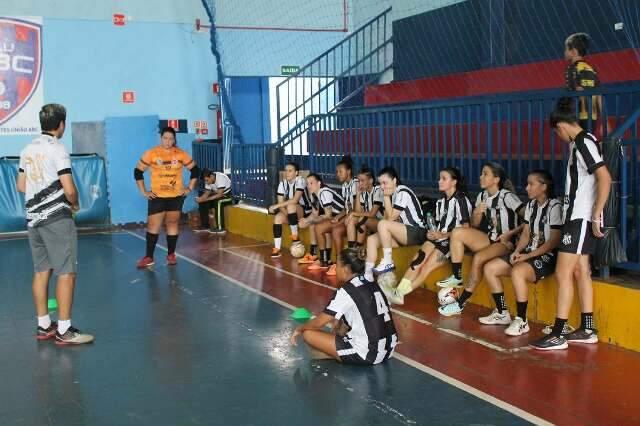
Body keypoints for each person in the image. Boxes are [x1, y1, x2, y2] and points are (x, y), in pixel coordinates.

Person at [530, 98, 611, 350]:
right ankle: (588, 328)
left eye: (557, 132)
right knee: (580, 272)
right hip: (579, 217)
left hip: (580, 217)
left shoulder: (582, 142)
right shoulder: (583, 143)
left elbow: (604, 178)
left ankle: (557, 334)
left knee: (563, 273)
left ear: (561, 126)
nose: (559, 136)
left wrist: (597, 213)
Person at [17, 103, 93, 345]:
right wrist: (76, 204)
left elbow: (21, 186)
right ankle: (64, 329)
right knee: (67, 272)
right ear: (61, 125)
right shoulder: (58, 149)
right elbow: (69, 189)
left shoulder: (27, 149)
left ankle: (43, 325)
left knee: (41, 271)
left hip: (33, 219)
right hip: (56, 218)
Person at [481, 170, 563, 335]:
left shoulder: (555, 206)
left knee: (517, 272)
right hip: (528, 253)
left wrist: (527, 256)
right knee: (490, 268)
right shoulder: (531, 205)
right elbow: (526, 233)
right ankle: (502, 312)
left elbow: (553, 241)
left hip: (547, 256)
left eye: (531, 184)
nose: (527, 188)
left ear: (544, 187)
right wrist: (517, 251)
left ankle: (521, 320)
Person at [437, 162, 525, 316]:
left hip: (505, 242)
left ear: (496, 179)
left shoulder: (507, 196)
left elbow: (530, 220)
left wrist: (511, 233)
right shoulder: (482, 196)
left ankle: (461, 303)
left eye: (485, 174)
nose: (480, 177)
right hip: (489, 238)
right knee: (457, 232)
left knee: (478, 258)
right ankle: (457, 276)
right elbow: (474, 225)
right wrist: (477, 213)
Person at [381, 167, 472, 305]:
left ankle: (400, 293)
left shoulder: (461, 200)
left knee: (425, 268)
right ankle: (398, 292)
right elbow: (437, 224)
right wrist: (432, 232)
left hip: (451, 242)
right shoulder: (441, 201)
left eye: (444, 178)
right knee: (416, 261)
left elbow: (466, 230)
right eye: (440, 178)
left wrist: (444, 234)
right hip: (437, 238)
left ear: (454, 182)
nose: (439, 181)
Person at [290, 248, 398, 365]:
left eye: (337, 264)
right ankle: (338, 351)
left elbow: (319, 322)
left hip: (369, 354)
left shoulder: (347, 290)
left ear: (346, 269)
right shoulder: (372, 282)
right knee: (338, 321)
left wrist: (300, 329)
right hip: (388, 349)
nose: (335, 267)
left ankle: (336, 355)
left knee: (308, 334)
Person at [134, 127, 199, 268]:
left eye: (171, 138)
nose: (168, 141)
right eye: (165, 138)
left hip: (176, 197)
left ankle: (171, 255)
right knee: (153, 226)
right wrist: (144, 191)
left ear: (174, 139)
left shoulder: (180, 154)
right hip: (157, 196)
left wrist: (189, 188)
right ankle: (149, 257)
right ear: (161, 138)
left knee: (172, 224)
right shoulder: (151, 153)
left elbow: (195, 170)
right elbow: (138, 171)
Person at [364, 167, 426, 281]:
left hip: (417, 233)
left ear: (394, 181)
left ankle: (388, 261)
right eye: (380, 183)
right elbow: (386, 218)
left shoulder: (403, 192)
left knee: (383, 224)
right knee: (372, 239)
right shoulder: (393, 194)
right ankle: (367, 275)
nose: (382, 187)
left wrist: (386, 197)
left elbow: (390, 218)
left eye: (385, 183)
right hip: (403, 235)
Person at [312, 156, 357, 276]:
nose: (338, 174)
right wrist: (339, 216)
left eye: (340, 171)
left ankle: (339, 263)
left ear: (349, 171)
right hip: (346, 216)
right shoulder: (344, 186)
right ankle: (324, 260)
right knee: (319, 227)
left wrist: (344, 216)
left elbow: (356, 208)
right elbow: (346, 207)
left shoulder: (355, 184)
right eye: (337, 171)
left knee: (336, 230)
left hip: (357, 218)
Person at [268, 162, 312, 258]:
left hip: (304, 211)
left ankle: (295, 238)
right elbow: (281, 205)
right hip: (291, 213)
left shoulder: (300, 180)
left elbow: (295, 200)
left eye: (290, 171)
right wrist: (288, 216)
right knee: (277, 218)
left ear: (296, 173)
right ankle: (277, 248)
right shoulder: (282, 183)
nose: (286, 173)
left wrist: (275, 206)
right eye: (285, 170)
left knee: (291, 205)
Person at [303, 174, 345, 269]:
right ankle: (325, 260)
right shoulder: (313, 194)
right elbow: (314, 214)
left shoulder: (324, 192)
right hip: (333, 217)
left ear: (319, 183)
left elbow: (328, 215)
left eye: (311, 183)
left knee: (319, 226)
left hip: (342, 216)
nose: (309, 186)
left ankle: (327, 260)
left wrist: (310, 221)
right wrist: (305, 220)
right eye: (307, 183)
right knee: (318, 225)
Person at [564, 32, 600, 132]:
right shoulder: (592, 69)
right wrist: (605, 121)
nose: (564, 52)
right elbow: (599, 96)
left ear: (574, 51)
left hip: (576, 116)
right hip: (592, 117)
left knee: (575, 146)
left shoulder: (572, 68)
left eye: (566, 49)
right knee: (588, 144)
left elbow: (577, 91)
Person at [345, 166, 383, 248]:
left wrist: (353, 213)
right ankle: (351, 249)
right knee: (353, 219)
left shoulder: (378, 190)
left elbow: (372, 214)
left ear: (371, 181)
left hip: (382, 225)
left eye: (362, 180)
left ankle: (358, 248)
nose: (360, 183)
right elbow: (359, 211)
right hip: (370, 223)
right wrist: (358, 194)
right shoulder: (364, 192)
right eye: (358, 181)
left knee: (361, 218)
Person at [194, 169, 232, 235]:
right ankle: (205, 226)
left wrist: (205, 199)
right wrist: (200, 199)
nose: (206, 182)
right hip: (218, 196)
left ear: (211, 176)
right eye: (205, 181)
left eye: (207, 180)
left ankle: (221, 228)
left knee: (218, 202)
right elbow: (206, 194)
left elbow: (220, 194)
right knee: (202, 203)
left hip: (228, 197)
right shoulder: (209, 181)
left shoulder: (220, 178)